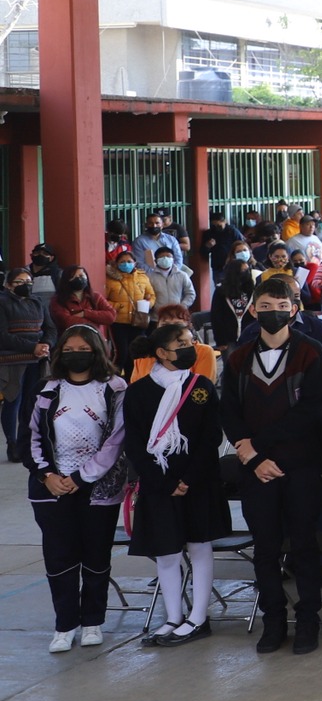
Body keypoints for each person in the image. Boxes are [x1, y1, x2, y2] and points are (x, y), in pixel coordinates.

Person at [218, 277, 322, 655]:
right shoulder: (237, 356)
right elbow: (229, 411)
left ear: (293, 311)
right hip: (255, 470)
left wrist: (259, 446)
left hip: (301, 465)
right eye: (264, 307)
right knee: (265, 549)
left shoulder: (312, 351)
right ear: (253, 310)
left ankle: (309, 621)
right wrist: (250, 455)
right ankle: (273, 620)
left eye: (280, 307)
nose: (273, 313)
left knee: (304, 545)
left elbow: (311, 409)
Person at [122, 320, 232, 648]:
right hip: (158, 483)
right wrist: (163, 481)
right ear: (161, 352)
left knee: (199, 546)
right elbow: (135, 442)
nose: (190, 348)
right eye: (181, 343)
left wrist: (186, 479)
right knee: (166, 551)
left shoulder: (201, 387)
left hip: (197, 481)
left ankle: (198, 617)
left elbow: (211, 436)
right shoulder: (139, 391)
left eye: (191, 341)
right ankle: (173, 616)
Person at [28, 326, 129, 653]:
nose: (76, 353)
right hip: (52, 488)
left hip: (97, 488)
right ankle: (64, 625)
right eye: (68, 348)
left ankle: (92, 622)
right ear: (60, 353)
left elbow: (116, 440)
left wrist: (82, 477)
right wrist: (47, 475)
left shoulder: (114, 388)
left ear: (97, 351)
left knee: (96, 554)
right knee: (59, 556)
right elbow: (31, 437)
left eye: (83, 347)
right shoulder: (47, 389)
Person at [1, 266, 55, 463]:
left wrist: (47, 344)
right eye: (20, 282)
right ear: (8, 285)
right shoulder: (2, 302)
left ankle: (28, 441)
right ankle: (12, 444)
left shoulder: (37, 302)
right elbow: (3, 335)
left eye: (28, 282)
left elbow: (50, 328)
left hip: (37, 359)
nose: (25, 286)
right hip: (12, 361)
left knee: (32, 402)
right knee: (13, 401)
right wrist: (33, 346)